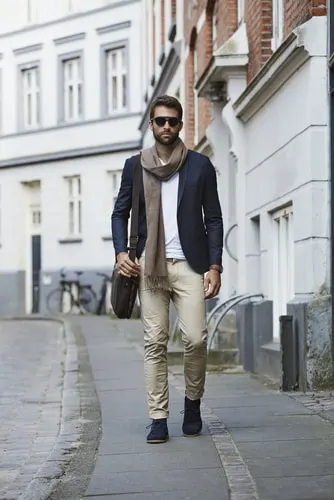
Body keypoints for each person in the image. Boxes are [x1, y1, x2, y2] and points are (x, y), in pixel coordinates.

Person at [111, 95, 224, 444]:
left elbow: (214, 219)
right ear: (151, 124)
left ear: (179, 124)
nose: (166, 127)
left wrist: (215, 265)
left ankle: (192, 404)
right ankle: (158, 417)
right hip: (149, 267)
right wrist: (120, 253)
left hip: (191, 265)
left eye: (173, 121)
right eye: (160, 121)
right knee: (154, 343)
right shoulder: (135, 165)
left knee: (195, 339)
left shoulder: (200, 166)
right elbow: (120, 212)